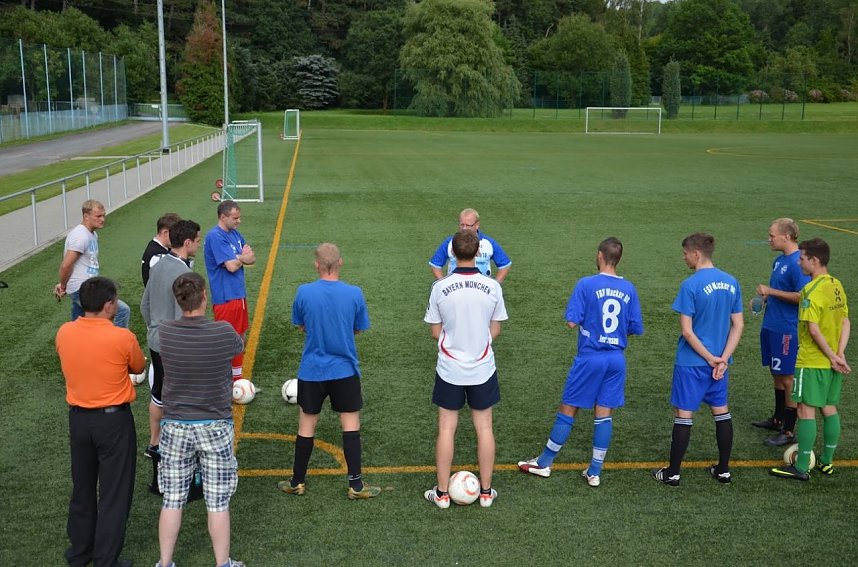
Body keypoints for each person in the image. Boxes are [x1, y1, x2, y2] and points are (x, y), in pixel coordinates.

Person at [518, 237, 643, 487]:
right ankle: (594, 471)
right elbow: (634, 327)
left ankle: (544, 463)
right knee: (604, 413)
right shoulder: (629, 289)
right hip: (616, 359)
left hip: (590, 357)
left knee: (569, 407)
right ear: (618, 259)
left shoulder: (586, 284)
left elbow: (571, 321)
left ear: (599, 255)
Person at [277, 243, 380, 499]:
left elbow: (300, 325)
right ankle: (355, 485)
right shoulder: (355, 293)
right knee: (350, 424)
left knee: (306, 425)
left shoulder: (304, 292)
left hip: (312, 371)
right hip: (345, 369)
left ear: (317, 264)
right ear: (340, 263)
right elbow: (358, 328)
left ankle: (297, 481)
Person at [156, 272, 245, 567]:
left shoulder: (165, 332)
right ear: (204, 296)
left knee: (172, 499)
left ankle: (165, 563)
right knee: (218, 501)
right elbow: (237, 348)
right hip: (215, 425)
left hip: (175, 425)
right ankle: (223, 563)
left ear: (178, 300)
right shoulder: (223, 332)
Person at [55, 276, 145, 567]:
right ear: (109, 306)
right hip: (113, 422)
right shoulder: (122, 337)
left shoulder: (64, 332)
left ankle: (79, 554)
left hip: (79, 421)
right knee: (114, 493)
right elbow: (139, 365)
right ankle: (106, 559)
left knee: (82, 488)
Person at [423, 230, 508, 508]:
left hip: (449, 367)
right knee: (484, 427)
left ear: (453, 253)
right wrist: (480, 340)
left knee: (447, 427)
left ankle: (442, 494)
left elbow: (435, 332)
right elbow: (496, 328)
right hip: (482, 366)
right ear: (478, 253)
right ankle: (486, 493)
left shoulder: (440, 287)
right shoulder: (493, 286)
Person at [652, 233, 744, 487]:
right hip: (720, 365)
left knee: (684, 415)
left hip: (692, 362)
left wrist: (709, 357)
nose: (683, 258)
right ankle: (723, 470)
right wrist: (722, 359)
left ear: (696, 253)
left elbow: (687, 331)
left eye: (684, 253)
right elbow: (738, 325)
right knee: (721, 412)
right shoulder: (731, 282)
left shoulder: (690, 285)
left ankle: (673, 473)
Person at [770, 238, 850, 481]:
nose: (800, 262)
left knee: (805, 410)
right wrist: (839, 354)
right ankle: (826, 461)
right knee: (829, 408)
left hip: (813, 360)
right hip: (832, 361)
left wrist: (830, 355)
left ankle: (801, 466)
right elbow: (846, 321)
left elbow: (813, 330)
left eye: (802, 258)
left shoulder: (810, 290)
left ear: (814, 261)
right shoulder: (836, 285)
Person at [140, 220, 201, 462]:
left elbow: (145, 305)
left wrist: (154, 328)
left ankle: (154, 443)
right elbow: (185, 315)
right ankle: (179, 449)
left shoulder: (159, 264)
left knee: (158, 394)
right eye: (197, 240)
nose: (199, 244)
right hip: (176, 345)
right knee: (180, 398)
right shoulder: (185, 274)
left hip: (156, 340)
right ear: (187, 243)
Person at [751, 219, 810, 447]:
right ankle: (777, 419)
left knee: (787, 378)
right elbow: (781, 293)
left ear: (786, 237)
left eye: (772, 235)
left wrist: (771, 290)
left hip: (786, 329)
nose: (769, 239)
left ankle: (788, 430)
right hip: (771, 325)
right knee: (776, 373)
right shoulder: (779, 261)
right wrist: (764, 298)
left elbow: (802, 296)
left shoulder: (798, 263)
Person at [54, 200, 131, 328]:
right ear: (86, 216)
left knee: (79, 321)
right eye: (98, 216)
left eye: (103, 215)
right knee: (122, 310)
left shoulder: (92, 234)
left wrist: (66, 284)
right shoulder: (81, 236)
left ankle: (76, 344)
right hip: (83, 289)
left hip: (87, 286)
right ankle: (114, 343)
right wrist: (63, 286)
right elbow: (66, 265)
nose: (102, 219)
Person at [204, 200, 255, 382]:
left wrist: (238, 258)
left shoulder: (234, 234)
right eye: (235, 218)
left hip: (238, 295)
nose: (239, 221)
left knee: (240, 337)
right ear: (223, 216)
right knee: (227, 340)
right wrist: (242, 257)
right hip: (225, 297)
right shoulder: (215, 237)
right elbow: (232, 267)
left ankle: (236, 378)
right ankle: (225, 378)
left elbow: (252, 258)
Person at [429, 208, 511, 283]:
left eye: (468, 225)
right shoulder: (450, 242)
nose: (464, 229)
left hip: (481, 291)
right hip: (455, 290)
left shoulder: (488, 243)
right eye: (462, 225)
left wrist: (495, 285)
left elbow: (505, 265)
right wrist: (444, 284)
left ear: (477, 224)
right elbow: (435, 265)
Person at [141, 212, 181, 286]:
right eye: (176, 235)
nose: (178, 238)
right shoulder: (158, 255)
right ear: (165, 233)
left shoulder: (156, 247)